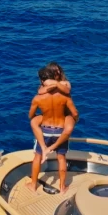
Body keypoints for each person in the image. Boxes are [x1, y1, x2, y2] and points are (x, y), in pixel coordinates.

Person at [26, 66, 79, 194]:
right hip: (60, 130)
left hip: (45, 130)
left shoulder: (38, 98)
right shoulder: (65, 97)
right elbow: (75, 113)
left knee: (37, 157)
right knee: (61, 158)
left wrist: (42, 117)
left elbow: (30, 116)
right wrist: (73, 120)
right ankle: (62, 187)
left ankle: (33, 185)